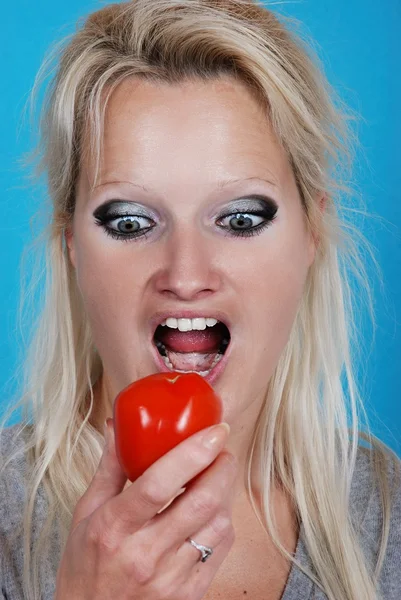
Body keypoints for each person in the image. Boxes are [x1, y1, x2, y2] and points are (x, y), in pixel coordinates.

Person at [0, 0, 400, 598]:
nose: (186, 275)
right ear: (71, 246)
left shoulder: (386, 518)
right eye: (132, 222)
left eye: (239, 218)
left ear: (312, 233)